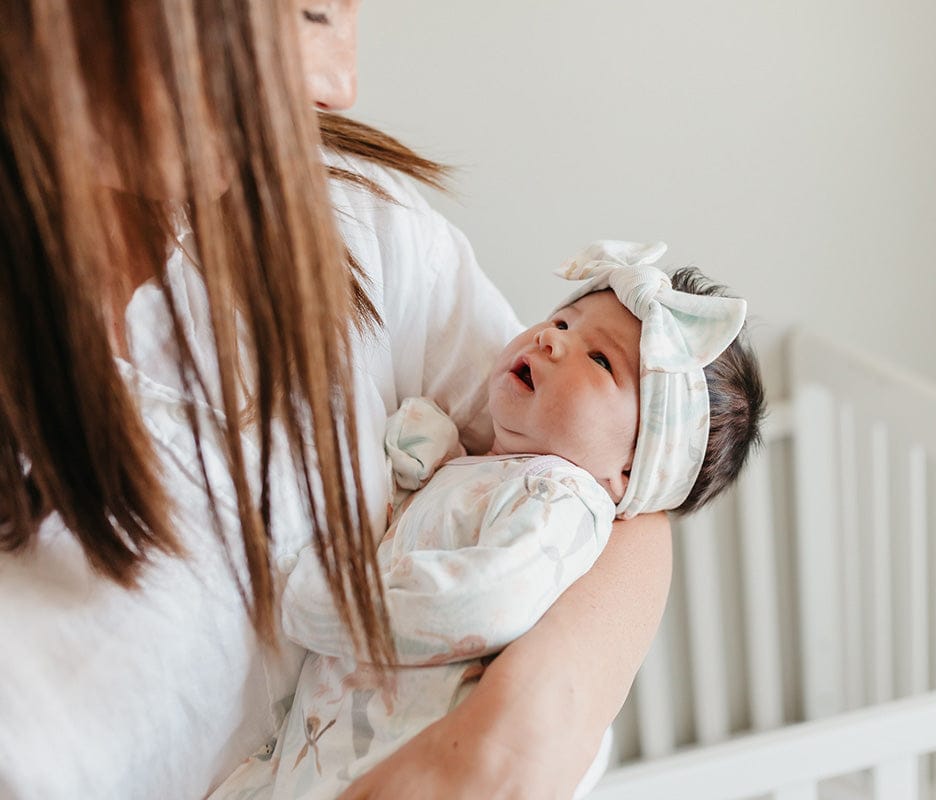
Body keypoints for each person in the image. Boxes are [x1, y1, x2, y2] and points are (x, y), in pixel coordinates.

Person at [0, 3, 672, 798]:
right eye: (309, 11)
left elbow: (623, 486)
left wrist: (520, 732)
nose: (340, 83)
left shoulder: (351, 215)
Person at [209, 242, 766, 800]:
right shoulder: (495, 474)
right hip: (313, 753)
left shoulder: (564, 501)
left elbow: (480, 601)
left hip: (400, 760)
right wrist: (427, 455)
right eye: (563, 321)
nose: (551, 339)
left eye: (600, 360)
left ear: (629, 470)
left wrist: (321, 601)